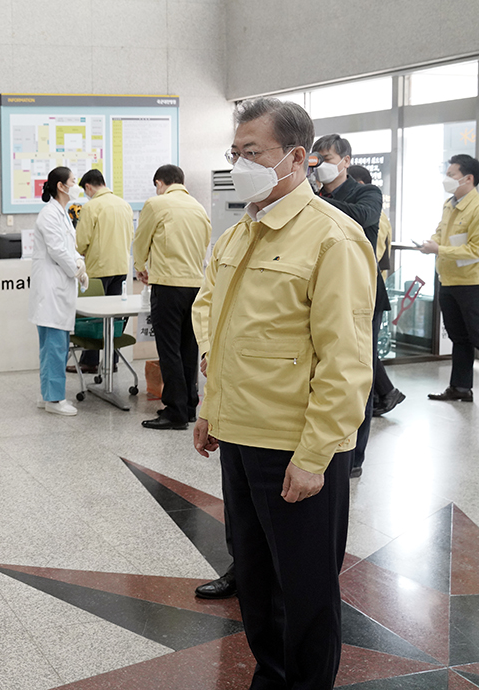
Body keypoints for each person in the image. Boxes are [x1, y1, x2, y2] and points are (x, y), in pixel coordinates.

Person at [191, 98, 375, 689]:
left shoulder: (332, 237)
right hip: (239, 435)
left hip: (295, 445)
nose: (239, 165)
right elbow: (221, 326)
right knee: (256, 581)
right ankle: (269, 679)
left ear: (297, 157)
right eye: (234, 153)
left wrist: (315, 455)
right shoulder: (240, 232)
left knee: (305, 590)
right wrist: (210, 410)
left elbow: (347, 360)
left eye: (252, 153)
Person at [309, 134, 384, 478]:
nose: (321, 166)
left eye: (326, 158)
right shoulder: (315, 195)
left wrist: (313, 203)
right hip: (324, 291)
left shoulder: (366, 193)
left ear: (345, 161)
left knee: (357, 375)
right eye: (317, 160)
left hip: (363, 295)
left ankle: (354, 456)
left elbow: (363, 216)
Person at [133, 164, 211, 431]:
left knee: (169, 350)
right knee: (189, 348)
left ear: (159, 182)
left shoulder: (156, 204)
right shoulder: (198, 208)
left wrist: (140, 266)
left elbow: (141, 240)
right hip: (196, 286)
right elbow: (204, 245)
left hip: (168, 285)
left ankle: (175, 411)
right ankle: (189, 407)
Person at [418, 153, 479, 402]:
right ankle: (460, 388)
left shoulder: (476, 207)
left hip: (471, 283)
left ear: (468, 178)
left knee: (476, 335)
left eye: (452, 175)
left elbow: (475, 249)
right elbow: (441, 232)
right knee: (459, 337)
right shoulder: (449, 204)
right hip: (448, 279)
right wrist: (430, 243)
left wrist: (439, 249)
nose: (447, 179)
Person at [347, 164, 405, 417]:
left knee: (364, 349)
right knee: (363, 349)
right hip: (362, 285)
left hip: (370, 286)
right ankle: (387, 392)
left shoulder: (373, 212)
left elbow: (373, 251)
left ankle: (385, 393)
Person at [30, 166, 89, 416]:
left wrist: (79, 263)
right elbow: (57, 250)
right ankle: (54, 399)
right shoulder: (49, 215)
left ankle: (48, 395)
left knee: (55, 346)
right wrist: (76, 269)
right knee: (54, 347)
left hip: (59, 288)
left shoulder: (61, 214)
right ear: (61, 186)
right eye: (73, 182)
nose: (76, 186)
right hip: (52, 291)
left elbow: (69, 247)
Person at [73, 168, 133, 372]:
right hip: (121, 267)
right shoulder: (124, 205)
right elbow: (131, 235)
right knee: (115, 317)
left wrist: (79, 250)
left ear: (88, 187)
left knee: (94, 318)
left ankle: (89, 361)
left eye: (85, 191)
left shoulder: (91, 207)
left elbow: (81, 241)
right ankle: (111, 361)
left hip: (99, 269)